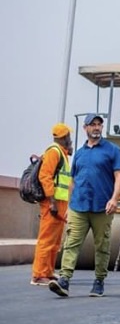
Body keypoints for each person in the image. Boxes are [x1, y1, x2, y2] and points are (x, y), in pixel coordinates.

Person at [50, 113, 120, 298]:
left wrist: (114, 199)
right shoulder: (80, 153)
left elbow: (119, 177)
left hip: (102, 207)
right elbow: (73, 181)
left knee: (102, 245)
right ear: (85, 128)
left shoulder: (112, 150)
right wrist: (68, 205)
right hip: (78, 206)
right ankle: (64, 280)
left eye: (99, 124)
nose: (96, 127)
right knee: (71, 243)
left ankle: (99, 281)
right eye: (92, 124)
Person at [31, 123, 72, 286]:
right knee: (46, 239)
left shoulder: (62, 153)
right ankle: (38, 274)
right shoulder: (54, 152)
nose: (70, 139)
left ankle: (47, 271)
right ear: (63, 138)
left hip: (60, 202)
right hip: (52, 202)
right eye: (68, 136)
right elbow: (45, 176)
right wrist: (52, 201)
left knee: (55, 240)